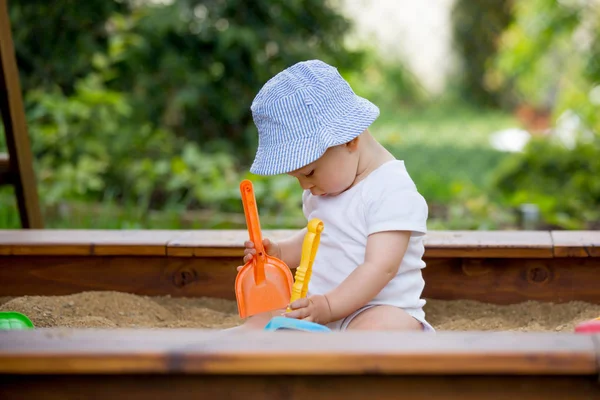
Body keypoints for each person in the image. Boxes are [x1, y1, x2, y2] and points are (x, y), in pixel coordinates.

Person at [238, 59, 434, 332]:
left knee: (383, 327)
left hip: (373, 309)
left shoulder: (392, 190)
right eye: (298, 178)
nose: (305, 187)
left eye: (310, 172)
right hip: (318, 309)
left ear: (349, 139)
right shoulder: (326, 187)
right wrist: (280, 252)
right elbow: (317, 238)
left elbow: (380, 268)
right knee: (263, 319)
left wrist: (329, 306)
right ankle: (226, 348)